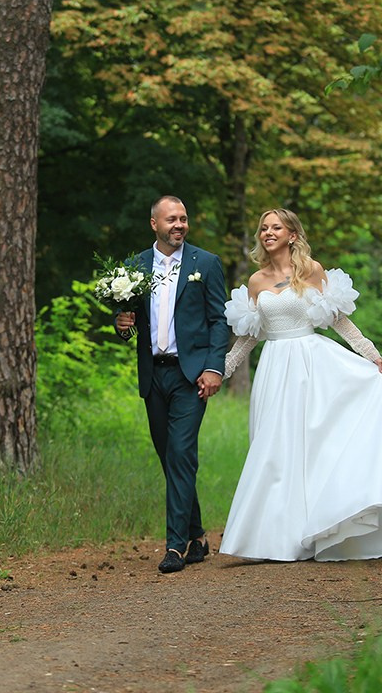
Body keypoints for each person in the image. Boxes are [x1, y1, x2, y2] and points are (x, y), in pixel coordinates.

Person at [219, 208, 382, 562]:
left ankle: (317, 527)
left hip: (311, 366)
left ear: (292, 235)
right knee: (273, 450)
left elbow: (338, 319)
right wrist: (222, 369)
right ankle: (273, 538)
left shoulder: (312, 271)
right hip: (274, 368)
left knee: (310, 448)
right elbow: (250, 336)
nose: (268, 233)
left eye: (276, 227)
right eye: (264, 228)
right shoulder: (255, 281)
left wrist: (369, 352)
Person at [116, 195, 229, 573]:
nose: (179, 225)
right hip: (153, 374)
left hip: (190, 374)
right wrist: (121, 325)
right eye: (171, 219)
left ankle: (175, 546)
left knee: (181, 454)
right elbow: (127, 317)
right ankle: (197, 535)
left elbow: (218, 320)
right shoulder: (134, 266)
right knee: (170, 457)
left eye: (183, 218)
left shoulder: (206, 263)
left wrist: (214, 368)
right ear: (154, 224)